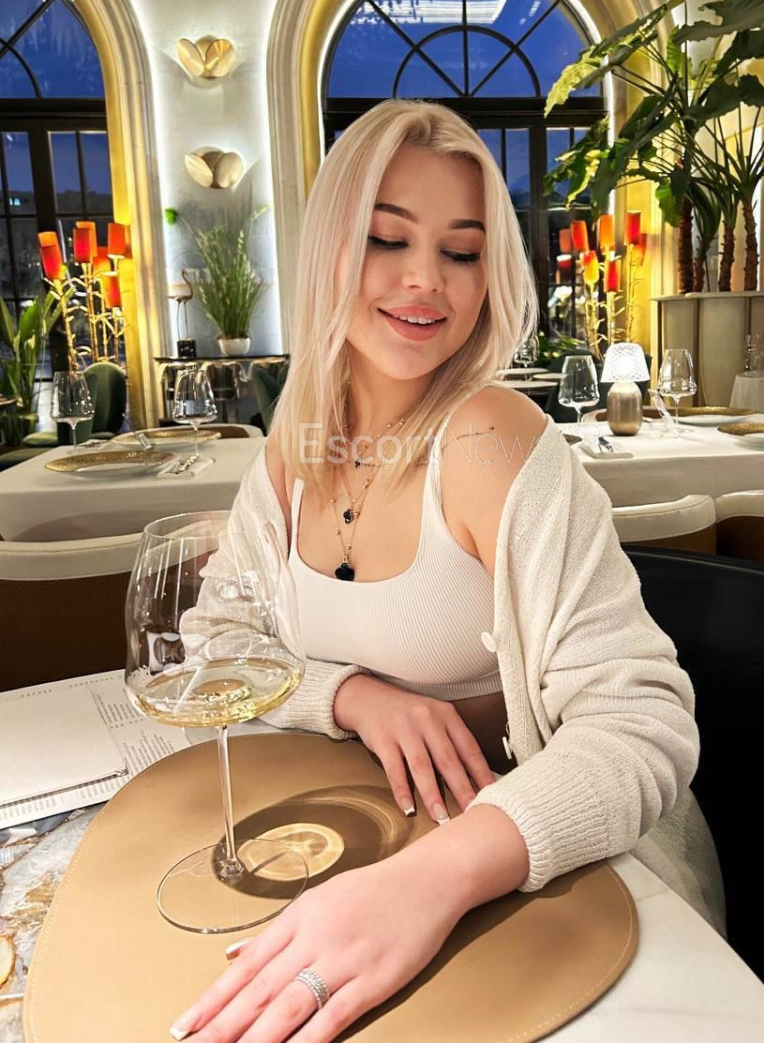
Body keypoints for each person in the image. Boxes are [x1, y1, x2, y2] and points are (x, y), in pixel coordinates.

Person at [170, 100, 723, 1043]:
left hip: (554, 864)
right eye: (388, 239)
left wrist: (427, 881)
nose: (426, 279)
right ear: (330, 250)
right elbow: (216, 643)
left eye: (462, 252)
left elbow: (645, 725)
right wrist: (355, 698)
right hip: (364, 841)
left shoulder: (491, 439)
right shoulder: (295, 447)